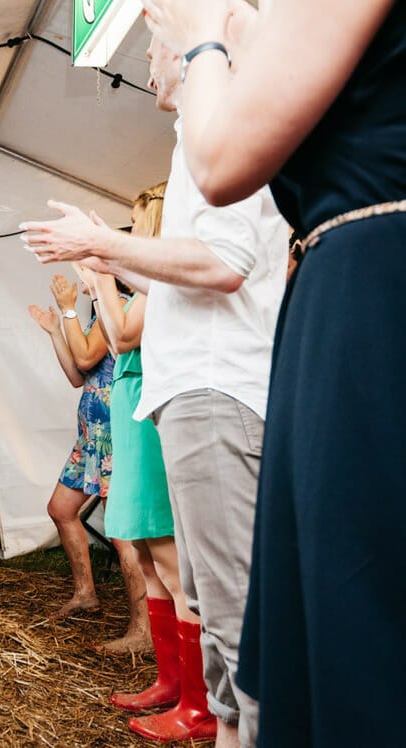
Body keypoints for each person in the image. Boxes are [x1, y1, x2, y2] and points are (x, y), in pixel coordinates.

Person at [143, 1, 406, 745]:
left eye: (153, 43)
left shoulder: (212, 72)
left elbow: (224, 169)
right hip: (342, 292)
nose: (151, 59)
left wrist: (204, 39)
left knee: (352, 609)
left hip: (370, 300)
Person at [19, 27, 288, 746]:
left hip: (215, 393)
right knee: (209, 601)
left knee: (234, 619)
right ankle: (210, 719)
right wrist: (96, 278)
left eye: (157, 38)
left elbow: (225, 263)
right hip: (190, 396)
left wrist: (100, 249)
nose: (143, 57)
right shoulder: (201, 150)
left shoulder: (223, 141)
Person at [82, 183, 217, 740]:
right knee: (145, 550)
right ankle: (170, 683)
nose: (129, 236)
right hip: (132, 413)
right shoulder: (146, 284)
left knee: (168, 555)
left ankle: (200, 705)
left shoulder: (155, 283)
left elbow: (119, 338)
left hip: (148, 412)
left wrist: (98, 278)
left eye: (135, 225)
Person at [27, 274, 150, 653]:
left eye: (88, 268)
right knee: (61, 509)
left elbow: (84, 355)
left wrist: (67, 309)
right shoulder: (101, 314)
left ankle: (143, 631)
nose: (81, 275)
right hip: (92, 436)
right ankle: (85, 594)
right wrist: (54, 331)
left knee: (121, 531)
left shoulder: (125, 307)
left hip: (116, 434)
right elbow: (77, 375)